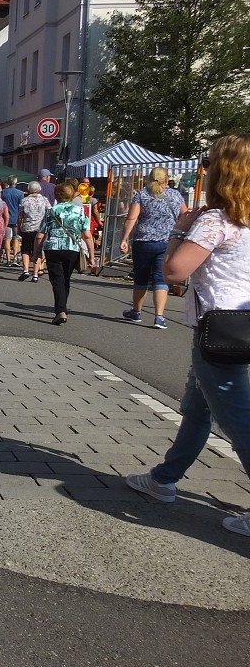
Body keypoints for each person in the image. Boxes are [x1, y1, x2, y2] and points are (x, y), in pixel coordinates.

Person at [124, 134, 250, 536]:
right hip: (241, 324)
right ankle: (164, 477)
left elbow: (175, 271)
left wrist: (180, 230)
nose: (203, 169)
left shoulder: (216, 219)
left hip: (219, 328)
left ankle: (164, 479)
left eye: (208, 163)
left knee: (237, 419)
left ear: (223, 171)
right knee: (198, 408)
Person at [119, 167, 187, 330]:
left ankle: (136, 311)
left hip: (143, 242)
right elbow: (185, 216)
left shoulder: (141, 194)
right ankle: (159, 317)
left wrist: (124, 239)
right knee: (160, 279)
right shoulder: (175, 195)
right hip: (166, 243)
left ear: (149, 178)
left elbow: (131, 218)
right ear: (166, 179)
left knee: (141, 277)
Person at [34, 182, 97, 324]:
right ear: (72, 194)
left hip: (53, 249)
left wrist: (36, 252)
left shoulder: (51, 211)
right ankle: (62, 308)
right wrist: (92, 257)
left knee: (57, 279)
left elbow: (40, 235)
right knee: (66, 279)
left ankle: (60, 310)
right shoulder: (80, 211)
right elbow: (87, 236)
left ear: (57, 195)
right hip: (72, 249)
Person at [17, 181, 49, 282]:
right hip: (40, 228)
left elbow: (20, 216)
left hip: (27, 227)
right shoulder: (44, 200)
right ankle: (35, 274)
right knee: (38, 250)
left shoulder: (24, 200)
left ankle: (26, 270)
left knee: (25, 249)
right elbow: (49, 212)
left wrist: (19, 227)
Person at [1, 175, 25, 265]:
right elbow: (22, 206)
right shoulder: (20, 193)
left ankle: (8, 259)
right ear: (16, 182)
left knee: (7, 239)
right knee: (16, 238)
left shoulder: (3, 192)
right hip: (16, 218)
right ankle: (15, 257)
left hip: (6, 218)